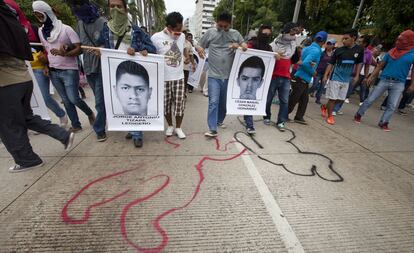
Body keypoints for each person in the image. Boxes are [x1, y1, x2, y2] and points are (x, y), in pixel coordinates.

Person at [0, 0, 74, 172]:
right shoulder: (13, 22)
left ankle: (27, 160)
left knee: (9, 124)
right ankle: (63, 134)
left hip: (6, 82)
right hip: (23, 78)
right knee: (26, 117)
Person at [97, 0, 156, 147]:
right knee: (121, 102)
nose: (116, 9)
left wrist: (138, 49)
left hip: (133, 70)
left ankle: (137, 133)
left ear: (125, 9)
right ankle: (131, 127)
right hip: (114, 71)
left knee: (134, 101)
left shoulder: (135, 30)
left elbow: (152, 48)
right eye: (112, 7)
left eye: (119, 6)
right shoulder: (106, 29)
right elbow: (101, 45)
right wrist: (100, 50)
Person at [32, 0, 95, 133]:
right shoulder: (41, 32)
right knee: (66, 101)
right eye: (36, 16)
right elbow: (46, 50)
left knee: (74, 98)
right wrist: (45, 64)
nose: (39, 18)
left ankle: (89, 113)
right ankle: (76, 124)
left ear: (47, 13)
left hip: (69, 70)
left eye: (40, 15)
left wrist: (65, 53)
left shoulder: (66, 29)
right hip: (53, 71)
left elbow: (79, 49)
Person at [5, 0, 68, 127]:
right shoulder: (6, 31)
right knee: (25, 100)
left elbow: (46, 47)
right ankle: (37, 123)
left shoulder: (33, 28)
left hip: (39, 68)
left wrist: (45, 64)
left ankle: (61, 114)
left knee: (45, 97)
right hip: (21, 69)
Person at [197, 11, 247, 137]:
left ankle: (219, 121)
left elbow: (245, 46)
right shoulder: (210, 32)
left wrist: (239, 46)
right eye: (220, 26)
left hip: (229, 76)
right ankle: (212, 128)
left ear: (230, 24)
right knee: (213, 101)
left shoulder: (235, 34)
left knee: (224, 103)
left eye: (226, 27)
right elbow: (198, 45)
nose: (223, 29)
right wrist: (200, 49)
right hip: (214, 75)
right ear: (216, 23)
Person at [354, 30, 414, 131]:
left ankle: (384, 122)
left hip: (399, 83)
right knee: (370, 99)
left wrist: (412, 85)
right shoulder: (391, 52)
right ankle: (358, 114)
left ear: (408, 41)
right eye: (398, 40)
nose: (398, 42)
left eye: (401, 40)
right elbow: (380, 66)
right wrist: (371, 77)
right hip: (384, 80)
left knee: (392, 105)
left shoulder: (412, 54)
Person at [70, 0, 108, 142]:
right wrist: (67, 48)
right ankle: (106, 119)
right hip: (88, 67)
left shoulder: (102, 22)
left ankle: (99, 129)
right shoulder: (80, 24)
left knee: (99, 101)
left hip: (101, 66)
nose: (79, 9)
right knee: (101, 100)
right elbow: (78, 45)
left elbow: (109, 43)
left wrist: (102, 48)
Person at [151, 12, 187, 139]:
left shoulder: (182, 36)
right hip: (163, 79)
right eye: (176, 30)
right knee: (166, 105)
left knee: (179, 104)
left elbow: (186, 49)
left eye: (180, 29)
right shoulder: (156, 38)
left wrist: (189, 56)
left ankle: (178, 127)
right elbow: (150, 54)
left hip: (179, 77)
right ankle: (170, 126)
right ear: (169, 27)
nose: (179, 32)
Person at [321, 29, 364, 125]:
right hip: (335, 77)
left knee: (340, 99)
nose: (343, 41)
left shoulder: (359, 50)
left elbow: (359, 63)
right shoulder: (338, 50)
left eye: (346, 38)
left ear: (353, 38)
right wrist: (325, 75)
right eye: (343, 38)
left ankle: (324, 107)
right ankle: (330, 116)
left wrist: (357, 76)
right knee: (333, 99)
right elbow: (331, 63)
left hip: (346, 79)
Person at [288, 31, 328, 125]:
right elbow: (305, 63)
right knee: (294, 99)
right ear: (324, 41)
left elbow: (302, 61)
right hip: (301, 78)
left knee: (304, 99)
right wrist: (313, 72)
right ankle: (284, 114)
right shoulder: (316, 51)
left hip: (301, 77)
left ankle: (299, 117)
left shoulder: (307, 48)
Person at [265, 22, 298, 132]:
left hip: (286, 77)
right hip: (274, 76)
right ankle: (266, 117)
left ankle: (281, 121)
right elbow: (267, 54)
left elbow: (294, 59)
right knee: (268, 98)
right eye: (292, 31)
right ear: (286, 31)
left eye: (295, 32)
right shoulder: (274, 43)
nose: (294, 34)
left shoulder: (294, 44)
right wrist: (274, 54)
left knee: (284, 101)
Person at [333, 35, 372, 114]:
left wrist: (366, 77)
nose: (358, 43)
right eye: (358, 41)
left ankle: (335, 109)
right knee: (337, 93)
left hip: (355, 76)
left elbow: (367, 66)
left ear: (365, 44)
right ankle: (330, 107)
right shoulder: (352, 49)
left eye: (360, 42)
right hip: (344, 73)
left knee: (345, 94)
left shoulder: (368, 53)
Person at [309, 38, 336, 105]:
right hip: (318, 71)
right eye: (328, 44)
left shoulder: (334, 55)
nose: (328, 45)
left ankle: (318, 98)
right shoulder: (322, 52)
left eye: (330, 44)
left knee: (322, 86)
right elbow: (316, 61)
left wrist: (330, 73)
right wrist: (314, 69)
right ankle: (307, 92)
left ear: (333, 45)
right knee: (315, 85)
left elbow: (333, 64)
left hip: (326, 73)